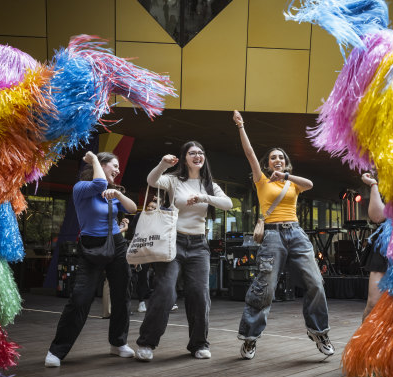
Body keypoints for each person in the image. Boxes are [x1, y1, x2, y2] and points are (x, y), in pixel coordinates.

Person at [232, 110, 334, 360]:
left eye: (281, 157)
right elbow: (249, 154)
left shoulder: (293, 182)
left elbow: (309, 184)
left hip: (296, 233)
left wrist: (286, 175)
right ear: (268, 164)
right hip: (273, 236)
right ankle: (250, 338)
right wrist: (241, 126)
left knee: (316, 283)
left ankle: (319, 332)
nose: (276, 160)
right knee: (265, 288)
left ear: (286, 163)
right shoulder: (261, 181)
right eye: (273, 158)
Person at [135, 141, 233, 361]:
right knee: (166, 292)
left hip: (199, 246)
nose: (197, 156)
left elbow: (227, 204)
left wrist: (204, 197)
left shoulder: (209, 185)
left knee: (199, 294)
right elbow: (152, 180)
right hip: (173, 243)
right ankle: (147, 343)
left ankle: (199, 344)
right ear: (185, 157)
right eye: (192, 153)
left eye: (201, 153)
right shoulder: (174, 181)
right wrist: (162, 164)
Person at [45, 151, 137, 367]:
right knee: (80, 298)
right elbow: (97, 184)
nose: (117, 170)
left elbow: (132, 209)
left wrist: (118, 195)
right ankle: (57, 351)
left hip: (116, 244)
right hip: (90, 247)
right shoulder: (82, 188)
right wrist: (94, 159)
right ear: (101, 165)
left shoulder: (111, 190)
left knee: (122, 294)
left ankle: (118, 343)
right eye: (114, 165)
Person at [360, 172, 387, 322]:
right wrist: (373, 184)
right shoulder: (387, 186)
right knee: (373, 303)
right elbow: (377, 217)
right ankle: (361, 344)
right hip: (387, 243)